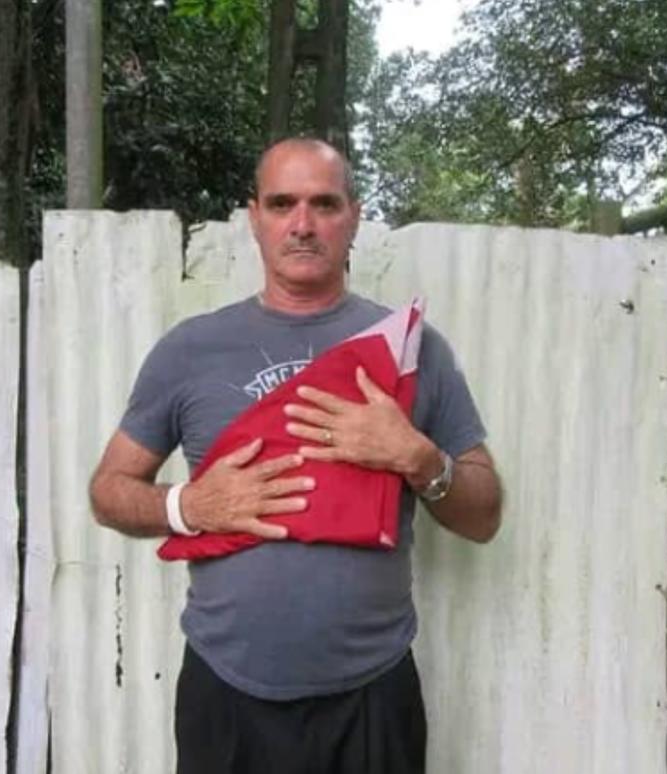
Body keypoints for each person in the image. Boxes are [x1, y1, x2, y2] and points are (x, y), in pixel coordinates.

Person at [89, 137, 502, 774]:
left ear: (354, 216)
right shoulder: (190, 350)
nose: (303, 224)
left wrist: (418, 457)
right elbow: (108, 490)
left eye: (324, 204)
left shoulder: (412, 350)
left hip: (373, 693)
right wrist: (188, 505)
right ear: (254, 217)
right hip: (226, 691)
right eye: (282, 204)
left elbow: (484, 515)